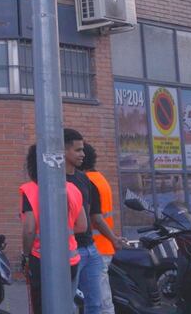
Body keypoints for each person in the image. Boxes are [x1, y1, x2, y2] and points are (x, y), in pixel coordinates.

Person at [20, 143, 85, 314]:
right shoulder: (73, 189)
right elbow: (82, 226)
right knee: (66, 305)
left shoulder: (30, 190)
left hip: (42, 259)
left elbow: (29, 228)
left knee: (42, 306)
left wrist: (26, 255)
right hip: (71, 259)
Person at [64, 129, 113, 314]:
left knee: (96, 304)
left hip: (91, 250)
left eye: (83, 150)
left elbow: (96, 215)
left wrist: (114, 239)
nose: (82, 154)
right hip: (71, 251)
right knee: (68, 303)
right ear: (64, 151)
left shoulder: (83, 179)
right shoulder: (55, 181)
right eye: (77, 150)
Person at [79, 142, 126, 314]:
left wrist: (114, 239)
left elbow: (96, 218)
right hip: (104, 246)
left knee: (100, 299)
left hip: (97, 246)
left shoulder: (88, 182)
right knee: (99, 296)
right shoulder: (100, 178)